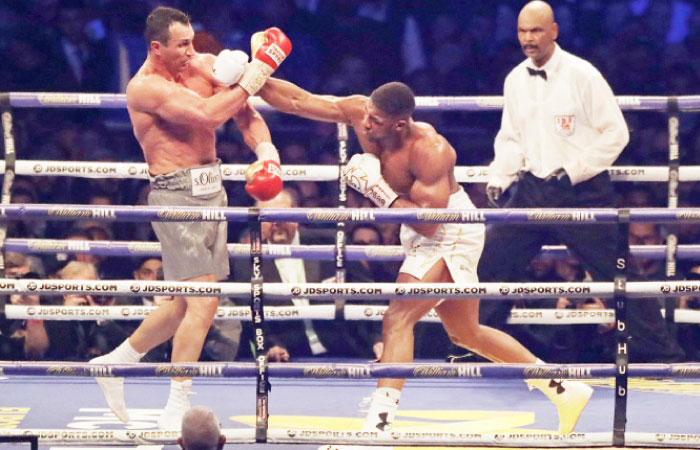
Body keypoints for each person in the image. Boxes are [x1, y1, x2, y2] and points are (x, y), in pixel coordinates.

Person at [258, 82, 592, 433]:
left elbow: (432, 225)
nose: (366, 125)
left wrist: (376, 189)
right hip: (416, 228)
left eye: (376, 120)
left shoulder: (431, 150)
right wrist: (257, 78)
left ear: (400, 124)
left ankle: (378, 425)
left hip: (450, 228)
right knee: (467, 334)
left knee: (398, 317)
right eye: (367, 115)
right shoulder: (362, 111)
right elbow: (300, 101)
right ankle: (564, 389)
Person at [90, 5, 291, 429]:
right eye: (181, 45)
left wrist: (267, 154)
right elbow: (208, 114)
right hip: (175, 195)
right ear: (156, 47)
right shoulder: (144, 88)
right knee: (204, 301)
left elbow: (244, 114)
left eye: (192, 41)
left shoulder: (202, 65)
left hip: (213, 188)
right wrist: (258, 70)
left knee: (185, 303)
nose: (191, 51)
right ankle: (177, 404)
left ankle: (115, 363)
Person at [478, 1, 629, 337]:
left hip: (582, 191)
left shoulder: (583, 75)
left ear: (554, 31)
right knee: (491, 263)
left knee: (618, 271)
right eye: (522, 31)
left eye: (535, 30)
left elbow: (616, 133)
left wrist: (574, 170)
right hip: (532, 190)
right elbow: (511, 137)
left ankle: (658, 353)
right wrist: (499, 178)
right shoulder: (516, 78)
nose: (528, 38)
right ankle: (476, 344)